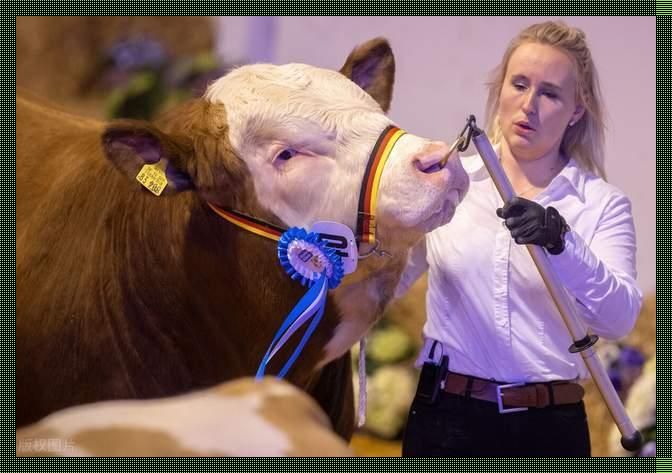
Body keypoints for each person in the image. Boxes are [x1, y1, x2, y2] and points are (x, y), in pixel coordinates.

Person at [398, 20, 643, 457]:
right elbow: (388, 277)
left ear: (576, 110)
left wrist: (560, 241)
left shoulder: (602, 205)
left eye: (549, 93)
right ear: (500, 89)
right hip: (444, 419)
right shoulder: (452, 184)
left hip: (548, 429)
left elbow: (619, 319)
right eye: (520, 84)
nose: (528, 105)